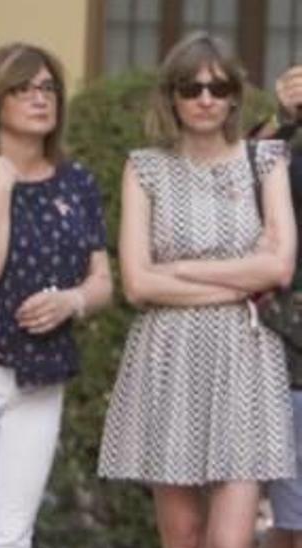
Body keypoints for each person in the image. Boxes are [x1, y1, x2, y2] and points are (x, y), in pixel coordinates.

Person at [98, 32, 297, 548]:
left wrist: (183, 273)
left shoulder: (266, 160)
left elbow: (278, 267)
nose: (205, 98)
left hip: (245, 354)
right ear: (171, 96)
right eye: (191, 87)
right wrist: (237, 278)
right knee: (183, 534)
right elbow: (138, 283)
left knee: (229, 541)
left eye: (217, 86)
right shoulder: (145, 167)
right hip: (169, 356)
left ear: (234, 95)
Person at [0, 43, 113, 548]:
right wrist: (2, 188)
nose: (41, 98)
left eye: (48, 88)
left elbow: (103, 279)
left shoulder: (77, 181)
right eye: (24, 88)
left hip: (43, 376)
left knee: (14, 534)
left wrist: (72, 301)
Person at [261, 64, 302, 548]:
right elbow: (236, 179)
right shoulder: (282, 140)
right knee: (291, 522)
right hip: (293, 347)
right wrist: (283, 119)